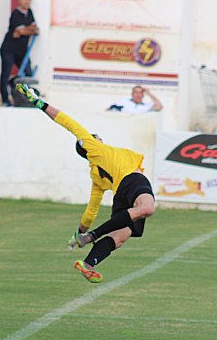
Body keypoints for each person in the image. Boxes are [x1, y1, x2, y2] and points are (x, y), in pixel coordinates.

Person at [16, 83, 156, 284]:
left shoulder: (95, 175)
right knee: (148, 208)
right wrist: (39, 103)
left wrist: (78, 233)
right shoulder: (94, 147)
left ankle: (88, 263)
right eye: (95, 136)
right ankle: (93, 236)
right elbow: (67, 122)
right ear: (91, 143)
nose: (98, 136)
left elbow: (92, 209)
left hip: (121, 195)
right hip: (133, 181)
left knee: (121, 236)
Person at [0, 0, 39, 106]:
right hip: (9, 50)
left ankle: (23, 96)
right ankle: (5, 100)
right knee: (5, 74)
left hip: (22, 52)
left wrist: (26, 30)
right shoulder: (15, 14)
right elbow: (19, 31)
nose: (27, 2)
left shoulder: (30, 13)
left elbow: (35, 29)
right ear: (20, 0)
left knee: (28, 73)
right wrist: (28, 30)